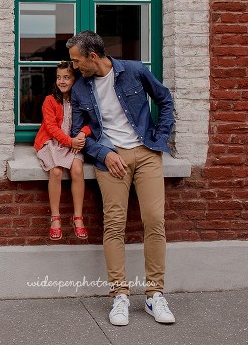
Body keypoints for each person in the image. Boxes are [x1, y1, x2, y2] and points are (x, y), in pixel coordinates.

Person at [66, 30, 176, 326]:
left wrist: (160, 137)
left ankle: (154, 295)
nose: (74, 67)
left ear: (93, 56)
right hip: (111, 159)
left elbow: (165, 101)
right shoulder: (80, 90)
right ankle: (120, 296)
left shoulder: (135, 71)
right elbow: (79, 136)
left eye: (77, 61)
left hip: (146, 153)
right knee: (114, 224)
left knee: (154, 220)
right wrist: (103, 154)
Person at [33, 61, 91, 241]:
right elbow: (50, 127)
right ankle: (56, 218)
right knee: (56, 172)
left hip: (73, 143)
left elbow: (93, 122)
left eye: (66, 77)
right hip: (52, 142)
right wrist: (69, 141)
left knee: (77, 170)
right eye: (59, 77)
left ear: (75, 79)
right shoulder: (50, 100)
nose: (62, 81)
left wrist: (83, 133)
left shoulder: (82, 100)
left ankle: (78, 217)